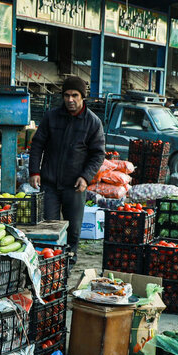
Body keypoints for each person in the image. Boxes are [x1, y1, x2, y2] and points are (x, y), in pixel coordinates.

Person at [28, 75, 106, 263]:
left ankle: (69, 262)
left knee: (74, 229)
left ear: (82, 97)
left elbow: (98, 154)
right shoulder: (51, 117)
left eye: (75, 95)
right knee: (49, 227)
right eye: (66, 95)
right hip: (50, 183)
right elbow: (38, 144)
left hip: (75, 185)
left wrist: (86, 177)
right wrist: (34, 171)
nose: (70, 100)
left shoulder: (93, 122)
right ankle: (49, 262)